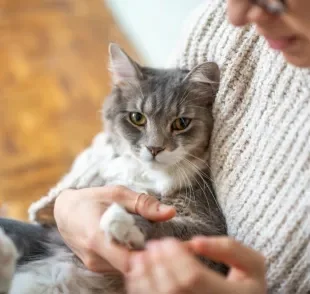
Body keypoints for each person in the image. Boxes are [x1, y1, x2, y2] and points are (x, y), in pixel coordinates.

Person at [28, 0, 310, 293]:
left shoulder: (196, 188)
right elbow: (105, 149)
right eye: (138, 119)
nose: (154, 146)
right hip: (63, 257)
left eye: (272, 0)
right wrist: (67, 204)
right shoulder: (221, 26)